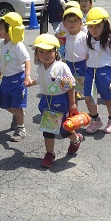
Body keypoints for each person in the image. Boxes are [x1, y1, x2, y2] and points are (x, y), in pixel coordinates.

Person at [26, 34, 83, 168]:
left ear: (56, 51)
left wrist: (72, 103)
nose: (46, 55)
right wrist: (31, 83)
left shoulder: (61, 67)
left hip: (60, 100)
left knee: (64, 129)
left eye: (49, 51)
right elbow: (40, 80)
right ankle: (49, 153)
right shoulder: (41, 67)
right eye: (41, 52)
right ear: (37, 54)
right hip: (46, 100)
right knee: (48, 130)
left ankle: (75, 140)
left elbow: (70, 85)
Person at [84, 7, 111, 134]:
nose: (94, 29)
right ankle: (95, 120)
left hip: (105, 71)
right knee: (88, 98)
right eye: (91, 26)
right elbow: (87, 54)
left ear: (105, 25)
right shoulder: (89, 39)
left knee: (108, 99)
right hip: (90, 71)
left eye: (97, 26)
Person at [0, 12, 32, 141]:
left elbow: (27, 60)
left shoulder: (17, 46)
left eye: (1, 28)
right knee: (4, 103)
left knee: (17, 105)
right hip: (6, 78)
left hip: (18, 79)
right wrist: (0, 70)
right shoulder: (2, 44)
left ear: (9, 30)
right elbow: (4, 59)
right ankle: (18, 114)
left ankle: (21, 128)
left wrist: (27, 75)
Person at [61, 7, 89, 103]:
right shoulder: (65, 37)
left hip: (82, 65)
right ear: (64, 24)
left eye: (75, 21)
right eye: (69, 21)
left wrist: (87, 64)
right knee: (72, 89)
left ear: (80, 23)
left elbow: (88, 52)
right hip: (69, 65)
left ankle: (93, 111)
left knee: (86, 89)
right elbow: (61, 52)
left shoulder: (84, 36)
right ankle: (74, 110)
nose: (72, 24)